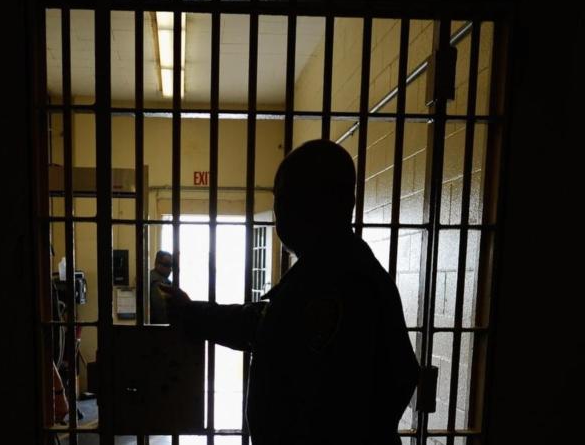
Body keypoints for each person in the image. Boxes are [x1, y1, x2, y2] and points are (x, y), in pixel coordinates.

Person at [162, 140, 419, 444]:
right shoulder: (339, 272)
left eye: (284, 198)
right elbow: (260, 324)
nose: (278, 212)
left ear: (316, 204)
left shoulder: (336, 282)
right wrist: (192, 311)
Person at [149, 250, 173, 324]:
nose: (170, 269)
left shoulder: (150, 277)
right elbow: (160, 311)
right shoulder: (157, 283)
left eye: (171, 265)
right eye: (167, 265)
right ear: (157, 264)